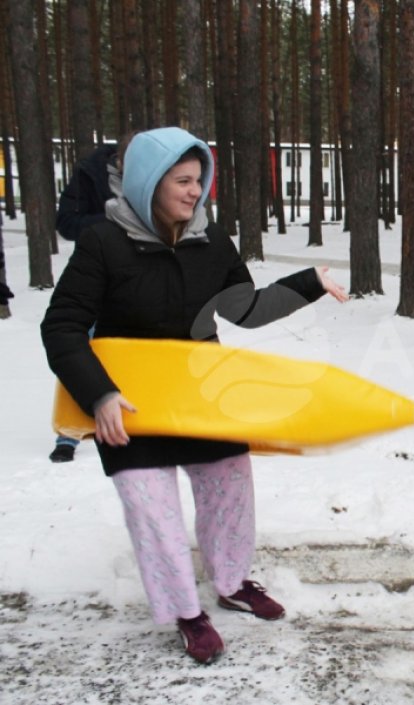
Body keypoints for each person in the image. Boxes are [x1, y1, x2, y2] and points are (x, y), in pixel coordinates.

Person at [40, 127, 349, 664]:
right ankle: (186, 611)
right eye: (182, 180)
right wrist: (100, 396)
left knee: (231, 487)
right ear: (148, 182)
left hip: (201, 396)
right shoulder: (103, 241)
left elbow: (244, 309)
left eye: (199, 179)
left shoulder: (212, 240)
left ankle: (231, 583)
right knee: (151, 507)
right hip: (128, 406)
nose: (194, 191)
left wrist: (309, 283)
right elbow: (62, 327)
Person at [49, 140, 124, 463]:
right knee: (81, 348)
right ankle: (67, 432)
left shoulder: (159, 177)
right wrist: (110, 221)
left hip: (136, 274)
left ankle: (131, 418)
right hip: (94, 272)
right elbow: (66, 222)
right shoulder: (90, 173)